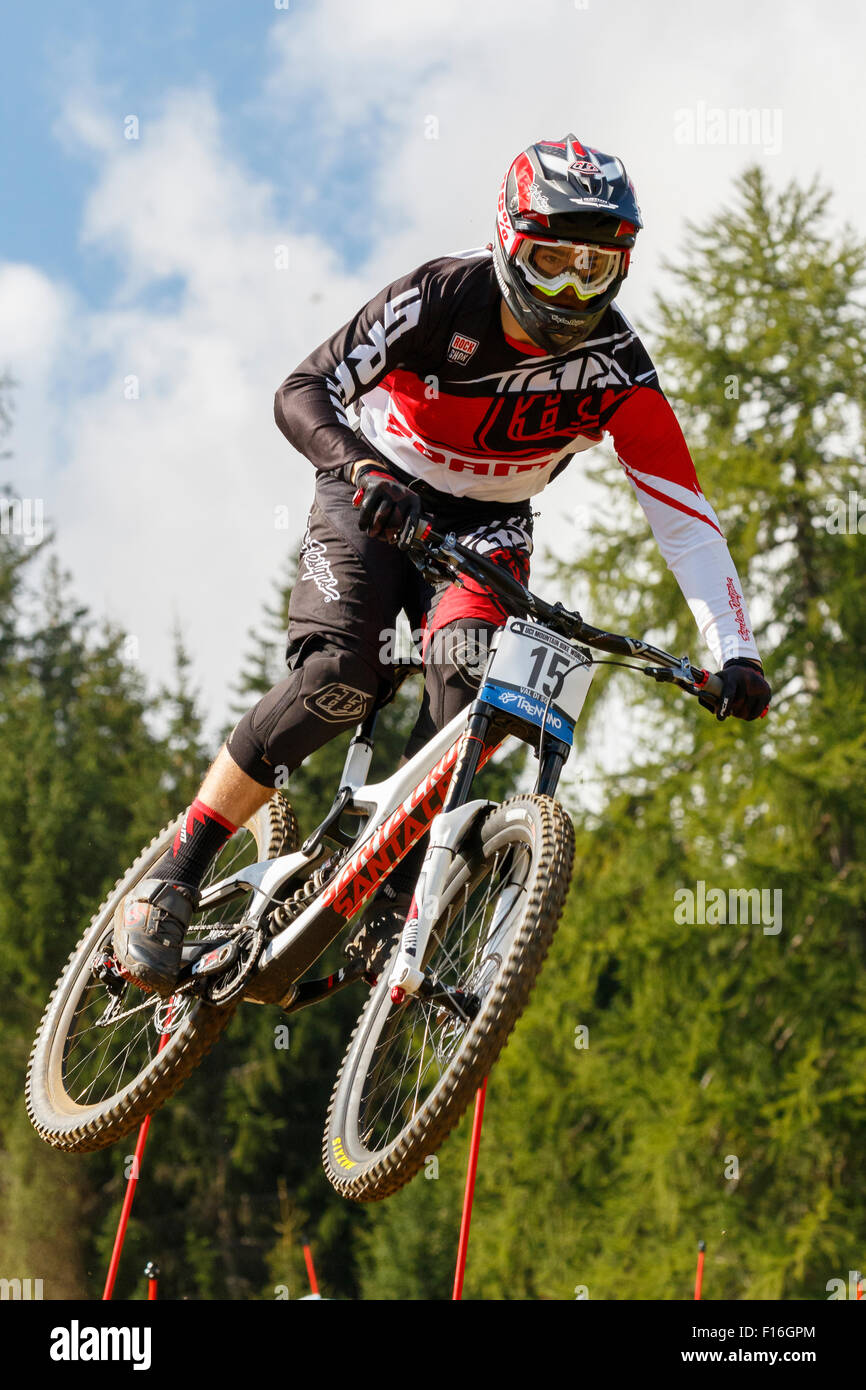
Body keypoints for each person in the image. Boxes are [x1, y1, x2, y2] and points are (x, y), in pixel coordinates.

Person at [113, 134, 771, 996]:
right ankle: (176, 873)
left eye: (595, 267)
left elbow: (683, 518)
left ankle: (390, 900)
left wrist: (736, 651)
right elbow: (300, 390)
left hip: (489, 528)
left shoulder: (616, 366)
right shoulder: (439, 297)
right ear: (506, 242)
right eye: (551, 261)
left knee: (470, 710)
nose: (573, 290)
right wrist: (363, 469)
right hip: (375, 493)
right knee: (342, 678)